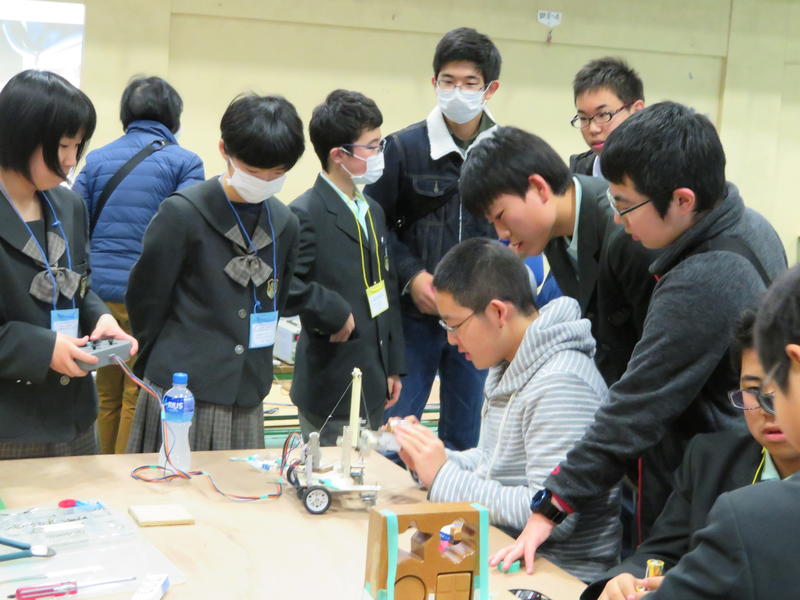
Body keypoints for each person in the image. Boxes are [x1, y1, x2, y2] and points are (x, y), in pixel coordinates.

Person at [492, 101, 787, 572]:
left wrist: (552, 504)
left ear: (683, 200)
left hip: (702, 490)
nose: (617, 219)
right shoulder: (751, 223)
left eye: (625, 204)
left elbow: (638, 404)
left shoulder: (706, 277)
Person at [394, 238, 620, 581]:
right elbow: (493, 464)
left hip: (557, 573)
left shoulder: (560, 383)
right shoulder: (510, 362)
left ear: (498, 312)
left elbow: (553, 513)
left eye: (454, 325)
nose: (451, 340)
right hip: (505, 550)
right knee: (395, 562)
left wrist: (443, 476)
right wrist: (429, 459)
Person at [125, 93, 303, 452]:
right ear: (224, 150)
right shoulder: (183, 213)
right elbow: (146, 300)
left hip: (247, 390)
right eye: (253, 171)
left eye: (277, 173)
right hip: (183, 389)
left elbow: (278, 299)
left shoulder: (284, 222)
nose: (265, 181)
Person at [583, 308, 800, 600]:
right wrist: (624, 581)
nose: (768, 409)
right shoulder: (709, 460)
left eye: (784, 389)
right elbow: (660, 553)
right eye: (752, 390)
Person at [365, 27, 502, 451]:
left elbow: (516, 231)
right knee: (395, 433)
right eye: (448, 81)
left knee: (466, 438)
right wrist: (411, 276)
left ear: (490, 89)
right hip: (414, 317)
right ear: (434, 82)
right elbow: (374, 225)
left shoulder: (504, 152)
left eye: (470, 83)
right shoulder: (402, 148)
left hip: (478, 318)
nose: (457, 92)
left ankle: (450, 496)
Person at [0, 69, 136, 459]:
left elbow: (78, 283)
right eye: (62, 145)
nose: (71, 160)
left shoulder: (68, 204)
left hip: (75, 415)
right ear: (20, 135)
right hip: (11, 424)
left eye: (77, 146)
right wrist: (42, 347)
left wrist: (99, 318)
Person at [461, 126, 657, 386]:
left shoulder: (624, 230)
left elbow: (660, 350)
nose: (502, 233)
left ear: (539, 188)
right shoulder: (552, 231)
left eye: (500, 216)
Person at [73, 75, 204, 454]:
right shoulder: (186, 163)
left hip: (98, 300)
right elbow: (186, 234)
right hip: (147, 298)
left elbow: (74, 224)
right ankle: (120, 474)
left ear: (125, 114)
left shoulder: (97, 160)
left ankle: (99, 468)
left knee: (104, 393)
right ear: (174, 117)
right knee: (137, 392)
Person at [285, 89, 405, 444]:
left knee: (367, 468)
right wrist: (331, 310)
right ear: (339, 155)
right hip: (331, 380)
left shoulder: (372, 209)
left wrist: (393, 365)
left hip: (375, 374)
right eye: (372, 146)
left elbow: (387, 286)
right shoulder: (304, 213)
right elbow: (285, 288)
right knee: (330, 471)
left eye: (381, 143)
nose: (380, 154)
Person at [568, 57, 645, 177]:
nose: (593, 129)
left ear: (637, 111)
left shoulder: (665, 169)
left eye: (603, 115)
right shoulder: (578, 172)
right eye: (583, 118)